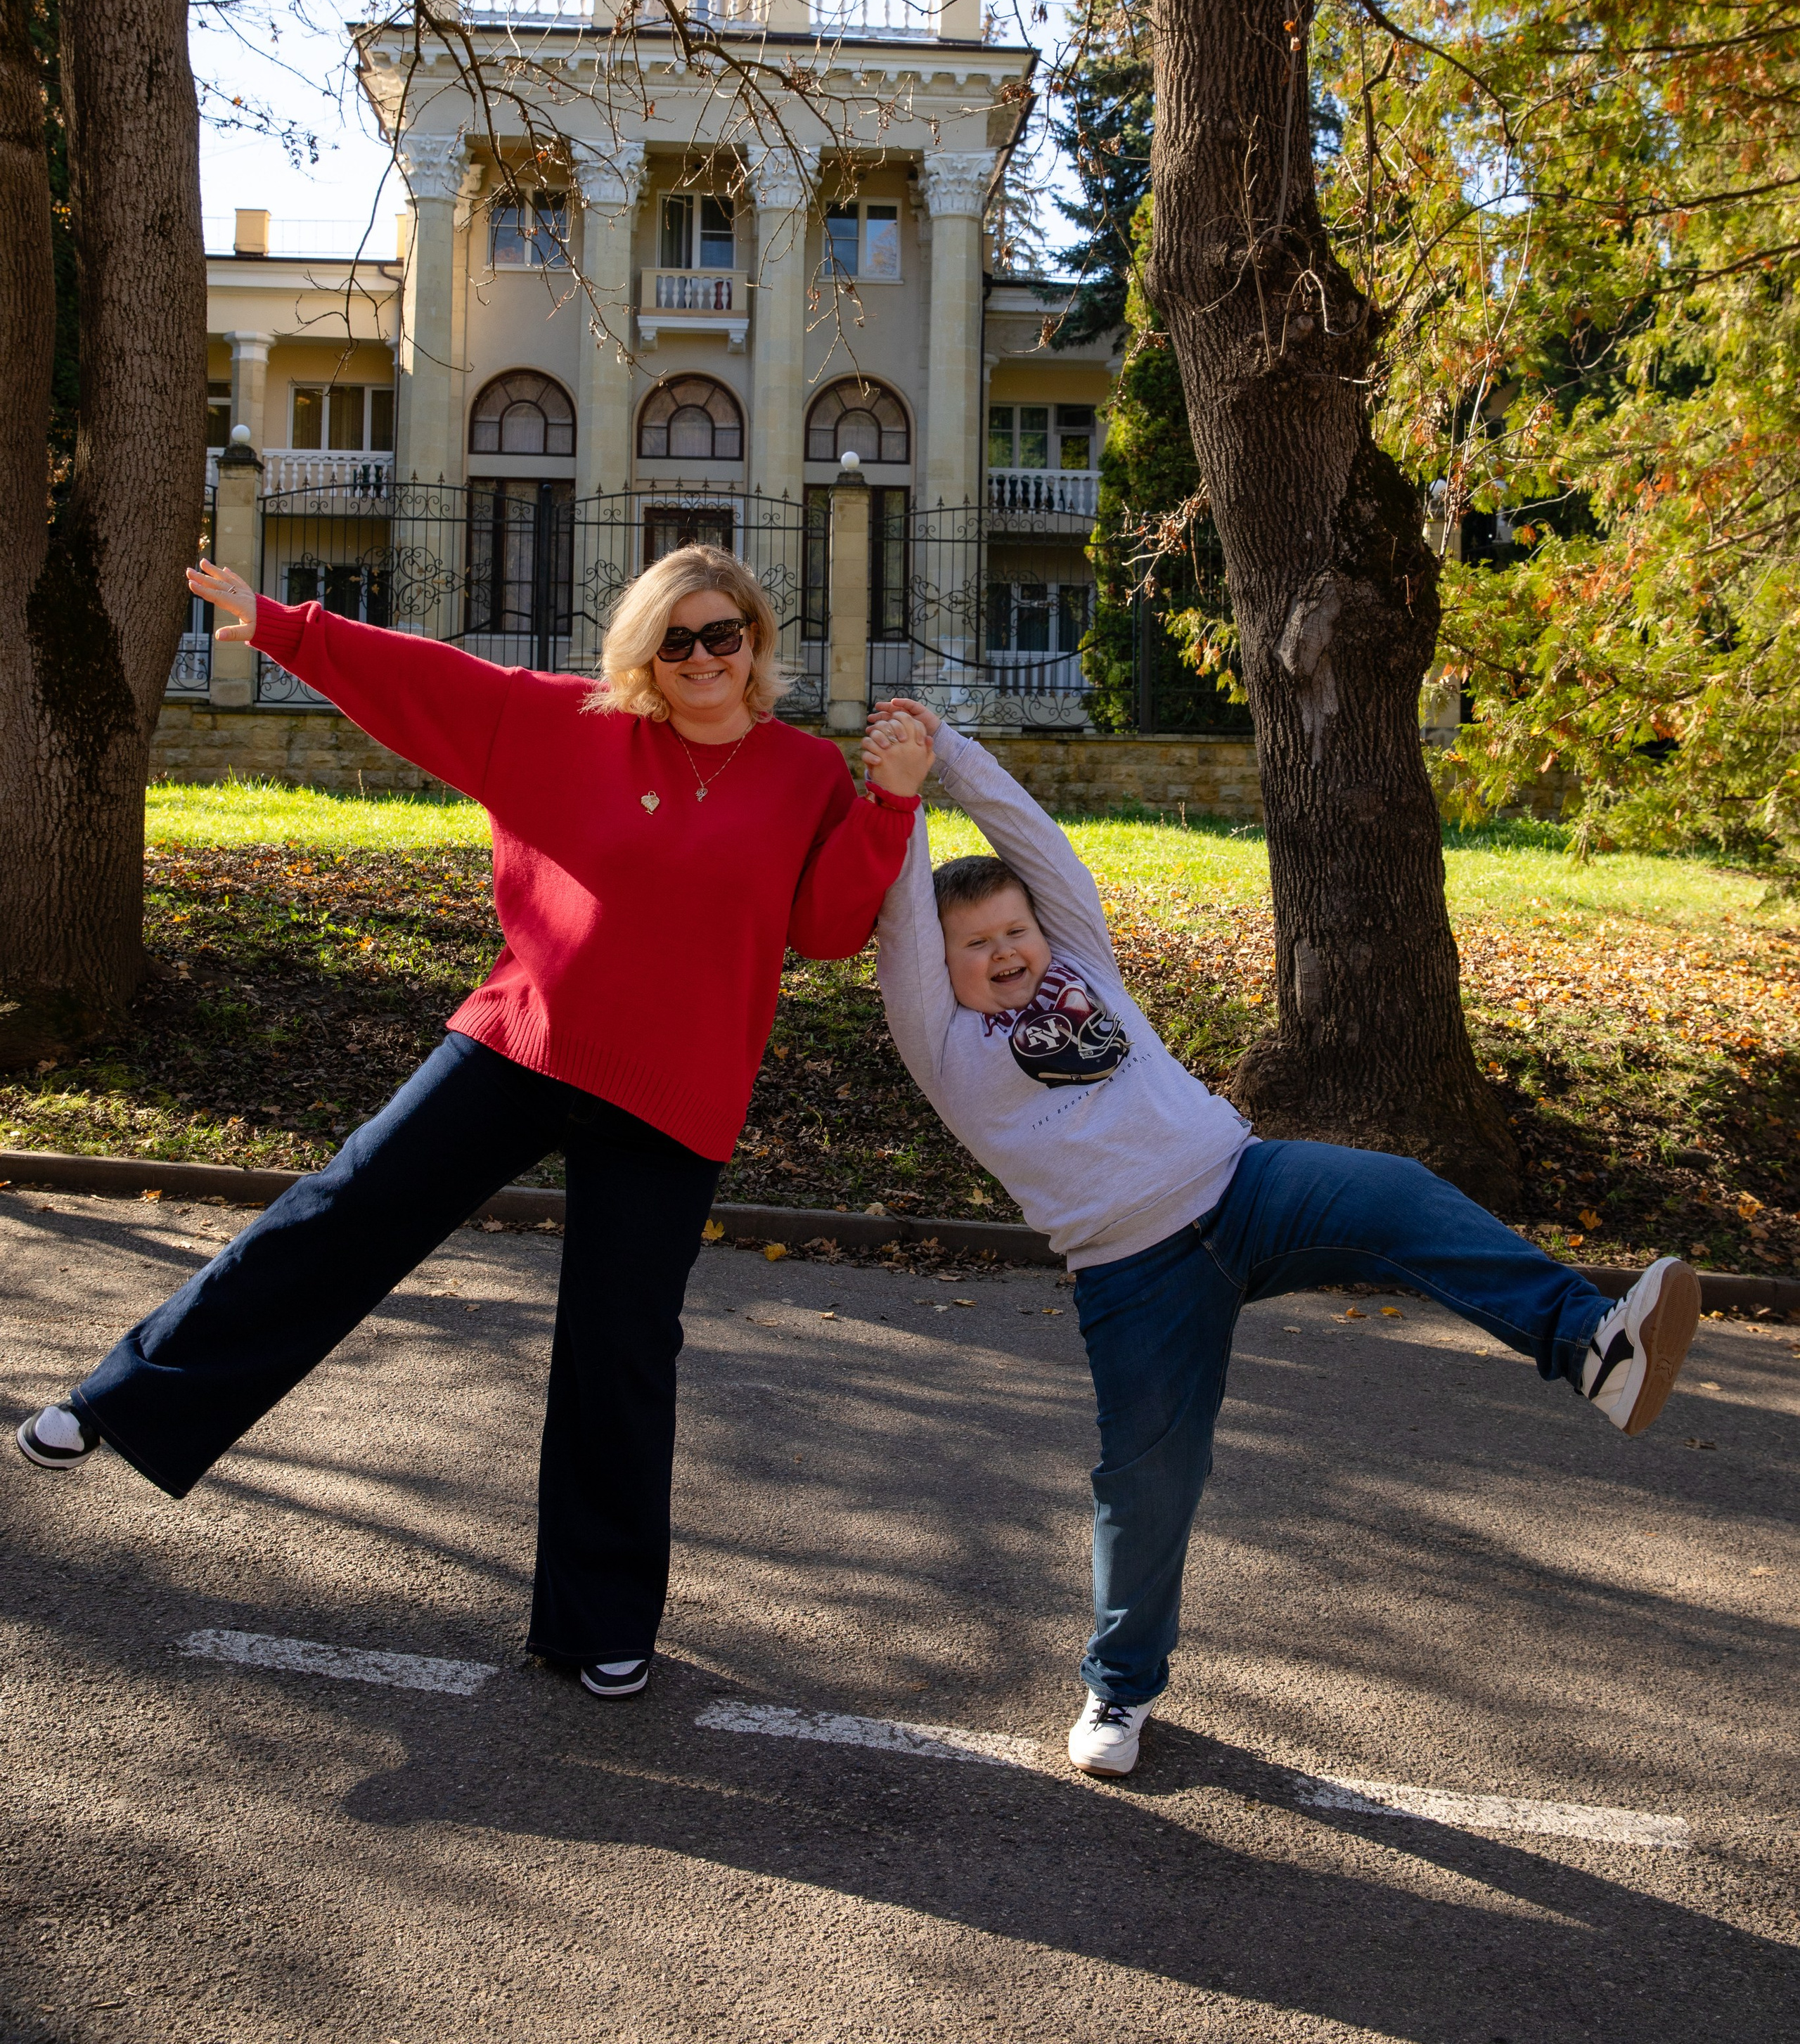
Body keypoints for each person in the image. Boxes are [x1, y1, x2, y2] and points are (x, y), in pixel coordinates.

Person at [17, 546, 919, 1702]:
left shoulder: (802, 775)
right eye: (676, 639)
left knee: (623, 1347)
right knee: (343, 1210)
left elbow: (831, 928)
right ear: (646, 650)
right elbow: (430, 682)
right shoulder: (573, 725)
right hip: (527, 1038)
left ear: (756, 640)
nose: (700, 659)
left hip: (674, 1094)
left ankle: (600, 1618)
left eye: (722, 635)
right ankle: (117, 1399)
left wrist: (890, 800)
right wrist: (283, 628)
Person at [858, 698, 1702, 1778]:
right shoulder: (941, 1038)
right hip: (1132, 1272)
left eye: (1016, 929)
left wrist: (955, 761)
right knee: (1150, 1476)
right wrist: (899, 793)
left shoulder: (1086, 963)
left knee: (1397, 1194)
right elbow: (902, 929)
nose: (1007, 950)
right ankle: (1119, 1690)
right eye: (978, 944)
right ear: (946, 965)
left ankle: (1592, 1348)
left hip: (1247, 1182)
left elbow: (1039, 844)